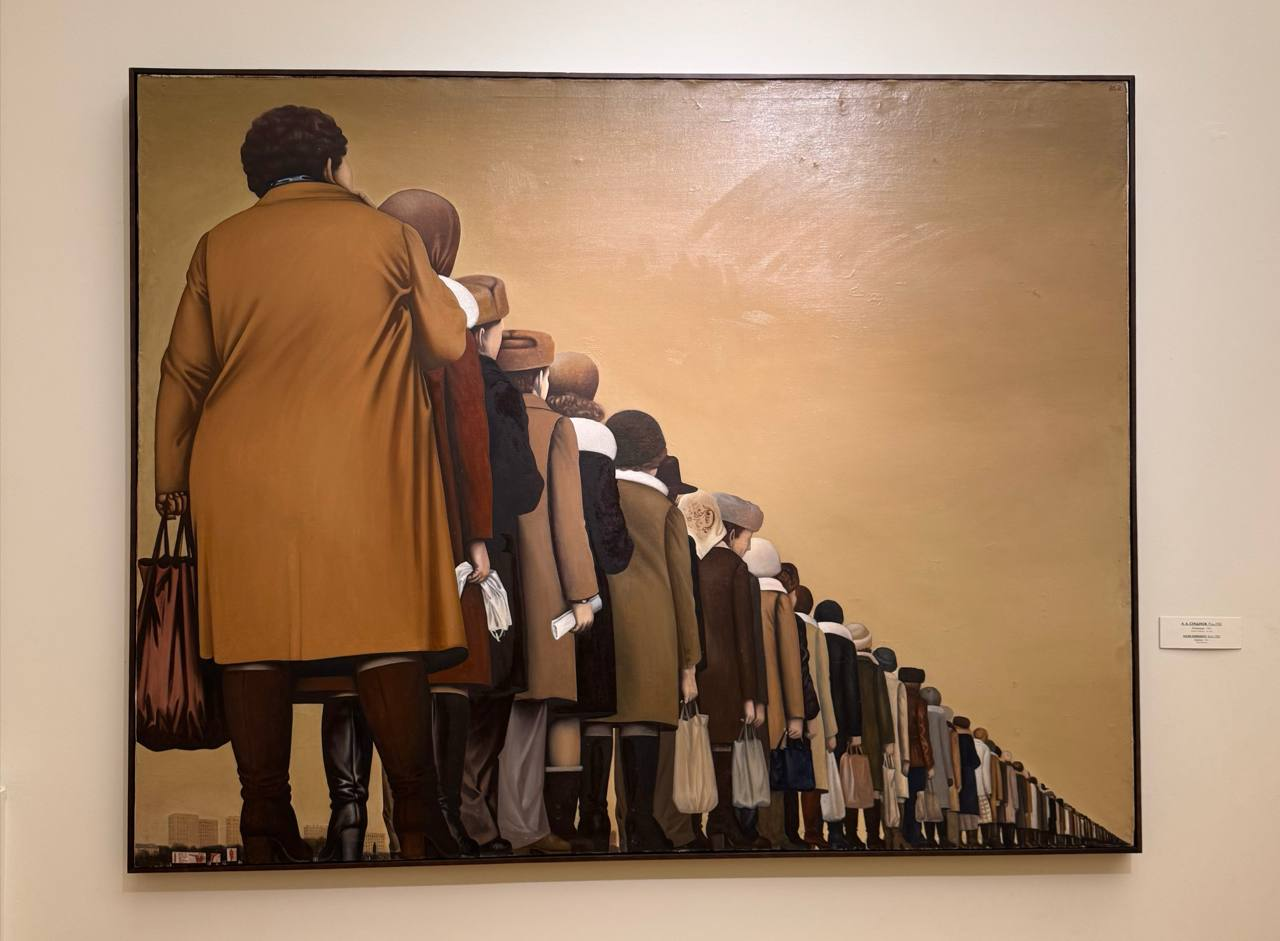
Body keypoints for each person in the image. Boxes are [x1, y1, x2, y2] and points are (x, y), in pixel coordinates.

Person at [153, 105, 468, 863]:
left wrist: (171, 476)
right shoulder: (387, 236)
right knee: (385, 633)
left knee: (253, 642)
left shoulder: (217, 244)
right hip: (367, 468)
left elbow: (185, 372)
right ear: (332, 163)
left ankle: (265, 822)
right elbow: (446, 342)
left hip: (240, 476)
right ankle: (418, 818)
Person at [495, 329, 599, 854]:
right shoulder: (555, 426)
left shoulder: (480, 414)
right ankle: (522, 826)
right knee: (529, 713)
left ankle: (488, 822)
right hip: (539, 586)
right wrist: (582, 594)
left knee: (486, 712)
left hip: (487, 579)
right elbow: (568, 519)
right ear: (540, 376)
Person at [454, 275, 545, 856]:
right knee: (489, 688)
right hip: (490, 558)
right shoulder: (494, 387)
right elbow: (523, 485)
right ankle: (476, 820)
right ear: (485, 332)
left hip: (431, 550)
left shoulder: (420, 375)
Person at [590, 410, 701, 852]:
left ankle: (593, 821)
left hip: (600, 626)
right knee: (641, 724)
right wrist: (689, 662)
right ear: (656, 458)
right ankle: (640, 821)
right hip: (655, 633)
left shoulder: (594, 493)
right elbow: (682, 590)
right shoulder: (664, 510)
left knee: (596, 722)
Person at [545, 351, 634, 852]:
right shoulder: (601, 442)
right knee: (592, 706)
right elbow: (609, 531)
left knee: (555, 704)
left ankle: (552, 818)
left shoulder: (541, 426)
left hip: (542, 579)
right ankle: (592, 818)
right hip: (591, 585)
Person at [678, 489, 759, 850]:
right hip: (727, 678)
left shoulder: (682, 560)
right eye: (747, 537)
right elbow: (745, 638)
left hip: (689, 670)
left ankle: (691, 827)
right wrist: (750, 695)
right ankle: (722, 824)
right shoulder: (734, 568)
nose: (748, 546)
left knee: (690, 751)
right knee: (721, 753)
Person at [742, 537, 806, 850]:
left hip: (742, 697)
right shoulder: (778, 599)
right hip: (773, 701)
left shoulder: (739, 592)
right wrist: (795, 714)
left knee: (743, 765)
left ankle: (743, 832)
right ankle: (772, 833)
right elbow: (790, 660)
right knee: (771, 767)